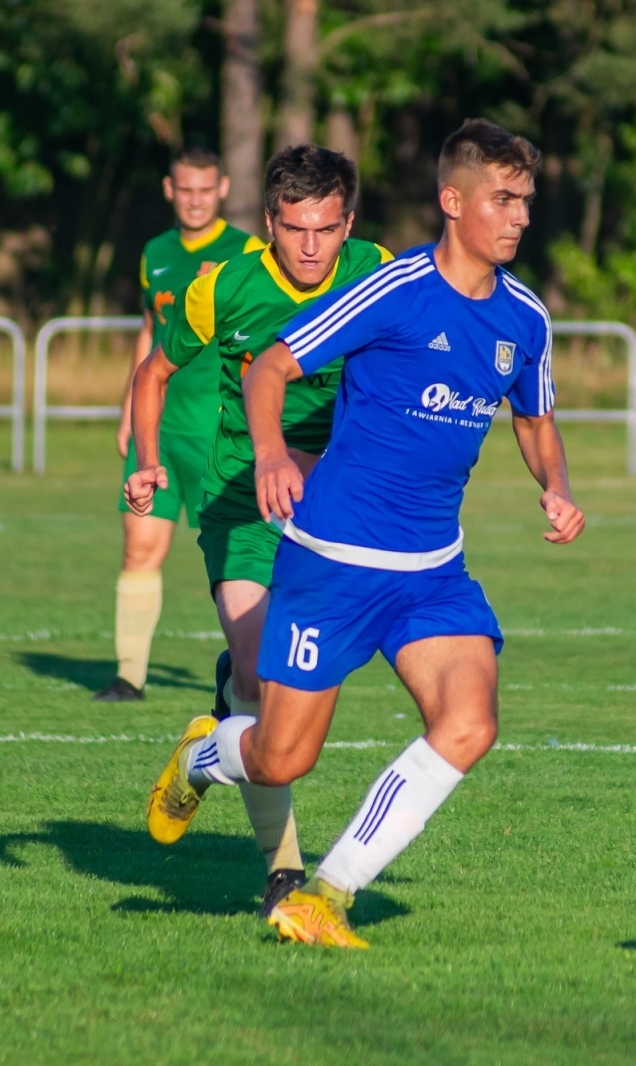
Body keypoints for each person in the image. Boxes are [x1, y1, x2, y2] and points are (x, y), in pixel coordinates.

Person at [146, 119, 585, 949]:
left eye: (526, 199)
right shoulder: (395, 289)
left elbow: (535, 419)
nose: (520, 216)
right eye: (503, 198)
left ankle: (329, 891)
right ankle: (205, 755)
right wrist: (272, 456)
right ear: (453, 202)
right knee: (280, 759)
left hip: (432, 572)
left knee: (470, 722)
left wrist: (556, 485)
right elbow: (273, 365)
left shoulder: (525, 319)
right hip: (334, 561)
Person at [129, 144, 391, 915]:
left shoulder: (377, 270)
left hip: (336, 509)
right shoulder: (226, 287)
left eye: (327, 228)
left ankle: (210, 745)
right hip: (242, 502)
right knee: (256, 673)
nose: (310, 247)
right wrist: (148, 460)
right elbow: (155, 372)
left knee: (289, 696)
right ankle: (282, 871)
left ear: (348, 223)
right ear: (268, 221)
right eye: (294, 228)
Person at [93, 147, 262, 704]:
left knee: (239, 562)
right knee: (139, 548)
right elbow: (150, 332)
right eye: (184, 189)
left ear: (222, 189)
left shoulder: (247, 253)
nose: (193, 199)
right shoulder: (155, 253)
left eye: (204, 189)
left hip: (222, 435)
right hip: (160, 431)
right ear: (169, 189)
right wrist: (128, 408)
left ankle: (244, 671)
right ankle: (129, 676)